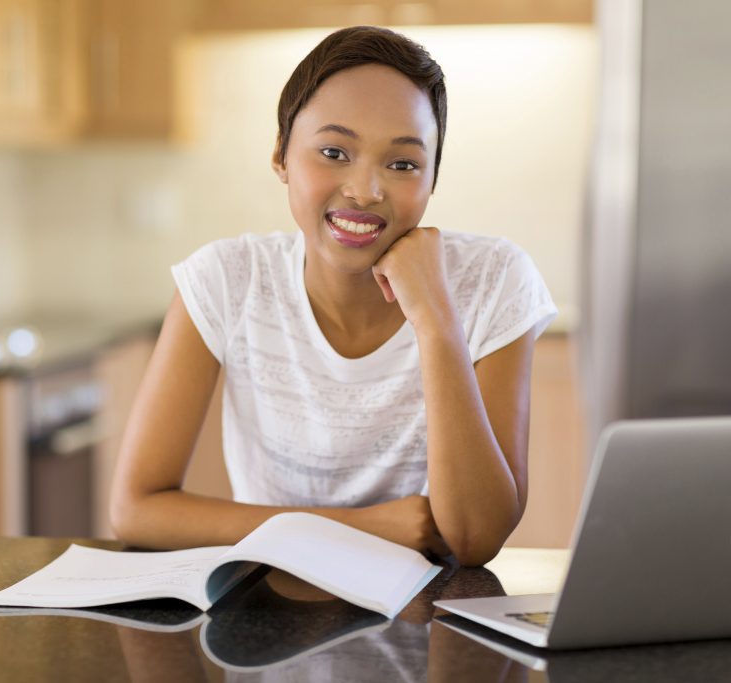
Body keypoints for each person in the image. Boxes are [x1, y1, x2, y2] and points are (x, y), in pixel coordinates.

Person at [110, 26, 557, 566]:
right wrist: (361, 528)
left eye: (403, 164)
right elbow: (137, 508)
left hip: (432, 625)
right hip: (266, 618)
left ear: (433, 177)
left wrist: (437, 319)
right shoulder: (227, 279)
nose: (366, 190)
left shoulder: (494, 279)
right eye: (333, 151)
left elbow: (475, 539)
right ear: (280, 156)